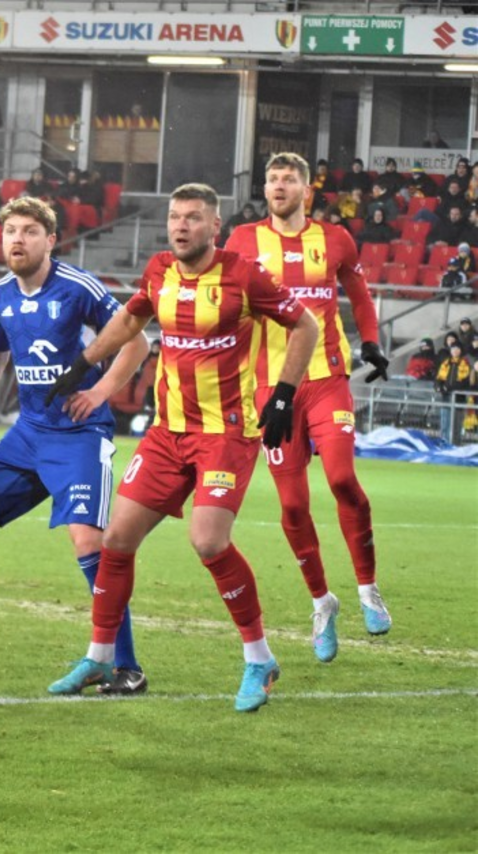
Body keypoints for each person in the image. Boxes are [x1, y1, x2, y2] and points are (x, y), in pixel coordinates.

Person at [46, 182, 319, 711]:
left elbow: (304, 325)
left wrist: (284, 394)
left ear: (215, 226)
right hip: (167, 433)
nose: (181, 226)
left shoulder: (243, 275)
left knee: (209, 542)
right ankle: (100, 656)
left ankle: (259, 659)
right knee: (116, 540)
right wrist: (83, 364)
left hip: (225, 434)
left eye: (193, 217)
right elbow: (131, 319)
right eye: (175, 217)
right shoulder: (159, 271)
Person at [0, 196, 151, 690]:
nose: (17, 239)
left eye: (28, 231)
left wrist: (100, 392)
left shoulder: (79, 287)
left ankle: (126, 666)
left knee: (89, 543)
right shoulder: (0, 296)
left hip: (79, 435)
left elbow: (137, 341)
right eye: (10, 231)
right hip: (28, 434)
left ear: (50, 239)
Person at [225, 152, 393, 663]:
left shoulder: (335, 239)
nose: (279, 186)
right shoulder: (242, 241)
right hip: (269, 387)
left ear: (306, 190)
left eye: (289, 179)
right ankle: (323, 604)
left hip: (326, 379)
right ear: (265, 189)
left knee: (342, 478)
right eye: (272, 179)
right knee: (293, 506)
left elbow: (359, 296)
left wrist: (370, 341)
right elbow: (227, 303)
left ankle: (368, 588)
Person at [435, 341, 471, 442]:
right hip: (446, 397)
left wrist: (449, 388)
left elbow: (464, 381)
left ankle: (455, 443)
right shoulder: (445, 363)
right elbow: (439, 378)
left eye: (457, 349)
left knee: (456, 423)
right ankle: (444, 442)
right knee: (445, 422)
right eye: (453, 349)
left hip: (458, 399)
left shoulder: (465, 363)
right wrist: (439, 387)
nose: (455, 351)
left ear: (460, 351)